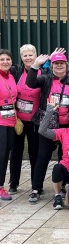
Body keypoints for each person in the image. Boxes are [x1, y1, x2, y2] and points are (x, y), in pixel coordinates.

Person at [26, 52, 69, 204]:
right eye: (56, 63)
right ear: (52, 66)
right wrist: (35, 66)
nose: (59, 65)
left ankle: (63, 187)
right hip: (49, 124)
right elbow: (30, 83)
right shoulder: (46, 79)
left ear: (66, 65)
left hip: (68, 125)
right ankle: (36, 189)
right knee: (43, 156)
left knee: (65, 157)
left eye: (62, 63)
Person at [8, 44, 41, 195]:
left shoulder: (43, 73)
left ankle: (36, 185)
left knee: (34, 152)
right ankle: (13, 183)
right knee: (16, 152)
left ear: (36, 56)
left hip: (35, 120)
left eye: (31, 55)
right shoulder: (15, 72)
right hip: (18, 120)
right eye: (25, 55)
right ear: (21, 57)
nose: (28, 58)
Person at [0, 49, 18, 201]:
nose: (5, 62)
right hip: (0, 122)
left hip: (11, 121)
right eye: (2, 59)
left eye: (7, 59)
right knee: (0, 155)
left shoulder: (11, 76)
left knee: (6, 155)